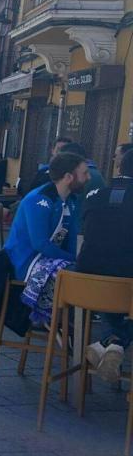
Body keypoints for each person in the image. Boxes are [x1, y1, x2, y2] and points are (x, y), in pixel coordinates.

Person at [4, 152, 88, 324]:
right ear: (68, 177)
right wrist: (74, 259)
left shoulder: (72, 200)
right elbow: (40, 244)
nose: (88, 177)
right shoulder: (39, 199)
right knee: (76, 275)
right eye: (84, 173)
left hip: (52, 259)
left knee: (88, 272)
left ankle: (71, 327)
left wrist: (81, 259)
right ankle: (62, 324)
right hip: (26, 261)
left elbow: (72, 239)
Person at [76, 148, 133, 381]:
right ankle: (113, 340)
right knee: (121, 290)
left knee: (113, 292)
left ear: (119, 168)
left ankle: (109, 343)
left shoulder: (94, 195)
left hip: (87, 284)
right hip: (126, 284)